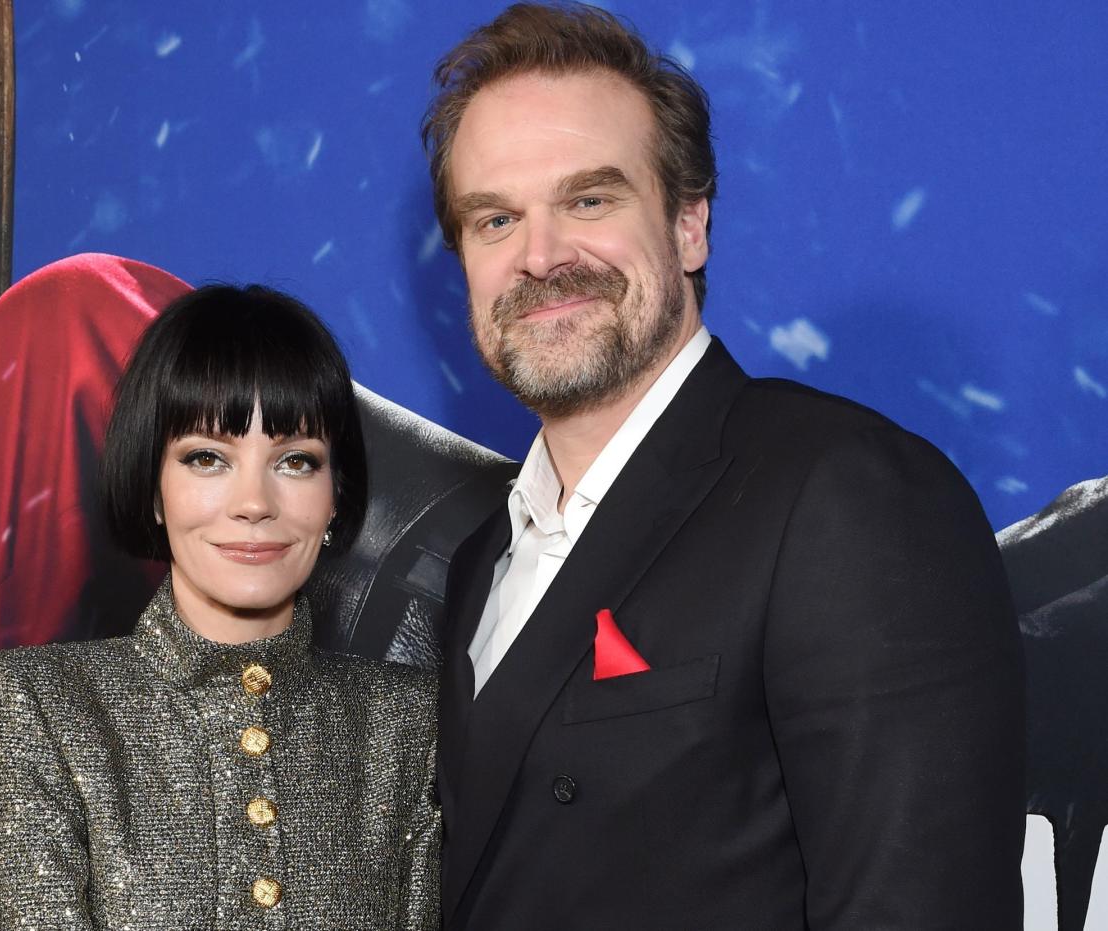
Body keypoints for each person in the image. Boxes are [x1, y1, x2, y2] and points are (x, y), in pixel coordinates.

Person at [423, 4, 1025, 928]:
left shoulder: (845, 495)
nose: (540, 256)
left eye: (589, 199)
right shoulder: (478, 563)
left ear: (690, 224)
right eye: (496, 218)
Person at [0, 284, 441, 929]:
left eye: (296, 461)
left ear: (335, 499)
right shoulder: (37, 704)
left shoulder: (406, 722)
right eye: (207, 458)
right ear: (155, 490)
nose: (253, 501)